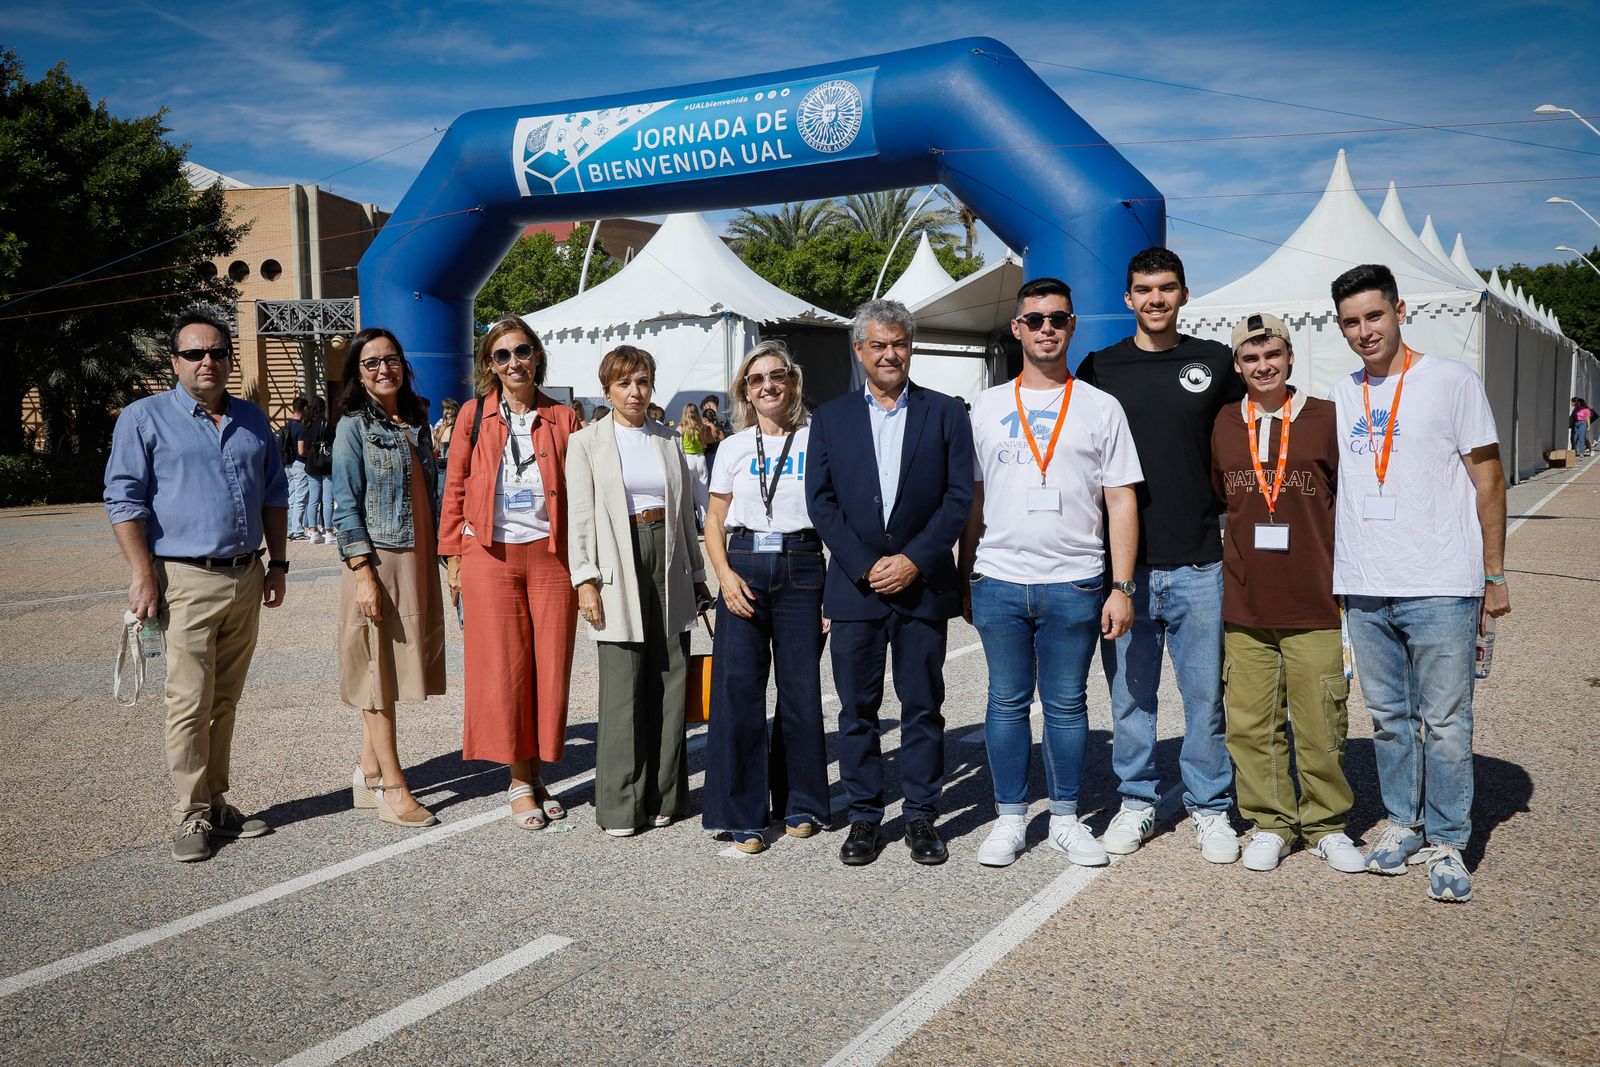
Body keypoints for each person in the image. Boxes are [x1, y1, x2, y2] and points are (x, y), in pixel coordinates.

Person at [1329, 264, 1511, 902]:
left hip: (1440, 581)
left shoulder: (1451, 382)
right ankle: (1404, 822)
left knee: (1447, 720)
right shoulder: (1346, 390)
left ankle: (1449, 839)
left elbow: (1488, 478)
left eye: (1373, 316)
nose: (1364, 331)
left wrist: (1494, 574)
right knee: (1388, 719)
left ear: (1400, 311)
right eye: (1351, 322)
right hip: (1367, 583)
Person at [960, 279, 1142, 869]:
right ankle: (1010, 818)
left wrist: (1121, 585)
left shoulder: (1099, 405)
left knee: (1067, 706)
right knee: (1006, 702)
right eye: (1033, 319)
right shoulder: (986, 406)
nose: (1046, 329)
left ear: (1071, 327)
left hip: (1076, 580)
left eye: (1057, 319)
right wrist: (968, 571)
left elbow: (1120, 501)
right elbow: (974, 501)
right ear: (1016, 328)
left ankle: (1064, 818)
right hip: (1001, 579)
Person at [1076, 247, 1244, 864]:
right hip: (1126, 570)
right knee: (1130, 697)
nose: (1155, 299)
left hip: (1200, 560)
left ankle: (1210, 806)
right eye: (1143, 289)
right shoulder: (1099, 367)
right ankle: (1137, 801)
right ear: (1127, 298)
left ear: (1184, 293)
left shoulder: (1214, 361)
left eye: (1166, 288)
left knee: (1205, 698)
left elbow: (1258, 430)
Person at [104, 308, 287, 862]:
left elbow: (274, 494)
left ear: (230, 358)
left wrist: (278, 564)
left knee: (226, 699)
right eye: (194, 353)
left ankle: (217, 801)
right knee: (188, 699)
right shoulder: (143, 418)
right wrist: (142, 575)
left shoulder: (253, 420)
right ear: (175, 362)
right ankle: (190, 812)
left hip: (246, 574)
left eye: (217, 352)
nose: (208, 362)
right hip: (182, 578)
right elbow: (124, 500)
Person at [806, 299, 974, 867]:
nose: (889, 354)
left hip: (921, 584)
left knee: (923, 705)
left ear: (911, 347)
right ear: (859, 351)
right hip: (855, 589)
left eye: (898, 343)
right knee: (857, 708)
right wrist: (863, 565)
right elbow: (821, 503)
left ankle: (923, 815)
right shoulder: (829, 418)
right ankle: (864, 818)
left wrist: (915, 560)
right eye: (877, 345)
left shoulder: (947, 412)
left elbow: (958, 499)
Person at [1209, 313, 1363, 874]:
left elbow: (1351, 499)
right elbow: (1222, 496)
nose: (1263, 366)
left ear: (1290, 357)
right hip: (1246, 603)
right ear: (1237, 366)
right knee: (1251, 724)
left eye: (1272, 354)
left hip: (1314, 600)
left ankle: (1326, 823)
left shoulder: (1325, 417)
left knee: (1321, 722)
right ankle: (1272, 821)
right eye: (1250, 358)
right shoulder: (1225, 421)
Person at [439, 317, 580, 831]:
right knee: (505, 670)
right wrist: (454, 558)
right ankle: (520, 780)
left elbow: (582, 490)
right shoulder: (474, 416)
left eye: (522, 351)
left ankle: (538, 773)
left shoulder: (564, 417)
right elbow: (454, 486)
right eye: (502, 355)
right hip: (489, 558)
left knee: (549, 667)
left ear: (536, 356)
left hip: (550, 557)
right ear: (489, 365)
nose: (514, 362)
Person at [566, 346, 710, 837]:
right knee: (624, 683)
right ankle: (622, 804)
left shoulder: (670, 440)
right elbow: (580, 517)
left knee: (672, 679)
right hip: (616, 559)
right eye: (625, 383)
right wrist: (584, 579)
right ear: (607, 388)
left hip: (667, 557)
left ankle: (667, 793)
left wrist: (697, 574)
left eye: (643, 381)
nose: (635, 391)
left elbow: (686, 516)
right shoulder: (586, 443)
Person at [701, 341, 829, 854]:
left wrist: (832, 597)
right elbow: (713, 520)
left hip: (802, 565)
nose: (768, 386)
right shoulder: (733, 447)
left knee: (800, 692)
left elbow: (834, 518)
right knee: (737, 693)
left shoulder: (816, 440)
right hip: (746, 564)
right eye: (757, 380)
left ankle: (801, 803)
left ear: (793, 382)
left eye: (777, 376)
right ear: (745, 392)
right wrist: (725, 578)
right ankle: (742, 815)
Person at [332, 327, 447, 828]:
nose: (383, 369)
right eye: (371, 363)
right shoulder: (352, 427)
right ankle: (392, 787)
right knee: (376, 673)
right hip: (379, 560)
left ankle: (367, 773)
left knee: (390, 670)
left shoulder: (415, 421)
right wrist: (362, 573)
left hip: (415, 556)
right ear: (358, 374)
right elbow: (345, 507)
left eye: (391, 359)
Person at [300, 396, 336, 544]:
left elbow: (303, 447)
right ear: (323, 408)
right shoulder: (328, 425)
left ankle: (313, 531)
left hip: (311, 464)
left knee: (313, 499)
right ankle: (328, 531)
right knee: (328, 499)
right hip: (326, 464)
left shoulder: (306, 425)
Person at [677, 401, 712, 522]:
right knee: (703, 491)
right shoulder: (702, 426)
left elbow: (678, 444)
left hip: (688, 458)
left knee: (687, 493)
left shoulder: (681, 427)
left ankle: (690, 521)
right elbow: (708, 441)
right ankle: (705, 522)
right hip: (700, 458)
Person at [280, 395, 309, 540]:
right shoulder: (300, 427)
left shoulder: (286, 425)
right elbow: (301, 450)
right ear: (304, 409)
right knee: (301, 497)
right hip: (299, 464)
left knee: (291, 498)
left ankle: (289, 529)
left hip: (287, 465)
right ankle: (298, 530)